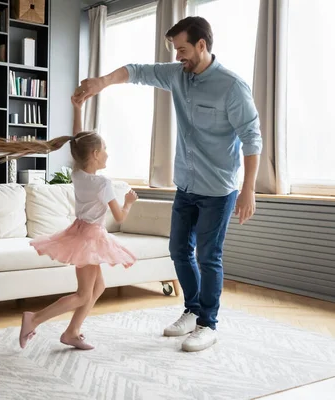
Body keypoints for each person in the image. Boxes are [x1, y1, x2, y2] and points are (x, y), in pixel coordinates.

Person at [73, 16, 263, 352]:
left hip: (219, 189)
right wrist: (102, 82)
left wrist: (248, 189)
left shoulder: (232, 86)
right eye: (176, 50)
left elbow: (251, 138)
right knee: (178, 250)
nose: (178, 56)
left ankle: (208, 324)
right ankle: (192, 310)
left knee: (209, 256)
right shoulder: (178, 75)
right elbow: (136, 71)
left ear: (202, 45)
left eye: (183, 49)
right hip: (186, 185)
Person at [0, 95, 139, 350]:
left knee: (98, 286)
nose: (108, 154)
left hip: (81, 233)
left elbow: (77, 140)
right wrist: (129, 202)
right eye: (105, 150)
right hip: (90, 238)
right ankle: (34, 319)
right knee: (83, 294)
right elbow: (121, 217)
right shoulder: (103, 184)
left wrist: (77, 109)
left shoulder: (78, 173)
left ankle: (72, 331)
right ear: (96, 154)